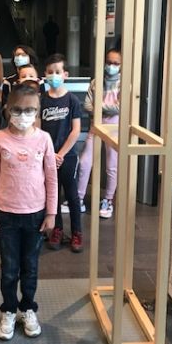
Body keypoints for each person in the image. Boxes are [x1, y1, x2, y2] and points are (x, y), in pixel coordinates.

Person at [0, 84, 57, 340]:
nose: (23, 115)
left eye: (29, 110)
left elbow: (51, 178)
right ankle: (9, 309)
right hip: (6, 214)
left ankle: (28, 308)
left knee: (30, 267)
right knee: (9, 268)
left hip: (36, 214)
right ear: (7, 109)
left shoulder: (44, 139)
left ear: (37, 111)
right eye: (17, 109)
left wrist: (51, 213)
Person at [61, 48, 121, 218]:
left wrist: (99, 107)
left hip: (114, 128)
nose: (111, 66)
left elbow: (120, 108)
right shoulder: (96, 82)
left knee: (112, 165)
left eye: (116, 63)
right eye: (109, 62)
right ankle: (78, 199)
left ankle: (108, 200)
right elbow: (87, 105)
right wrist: (106, 109)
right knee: (85, 162)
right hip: (96, 127)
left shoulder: (124, 84)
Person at [40, 53, 83, 252]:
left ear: (65, 74)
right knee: (53, 195)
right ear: (45, 74)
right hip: (48, 156)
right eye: (50, 72)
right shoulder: (41, 100)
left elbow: (76, 130)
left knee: (72, 195)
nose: (54, 75)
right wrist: (50, 154)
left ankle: (77, 232)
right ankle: (57, 229)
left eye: (57, 71)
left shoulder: (72, 100)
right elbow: (38, 130)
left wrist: (61, 154)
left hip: (68, 156)